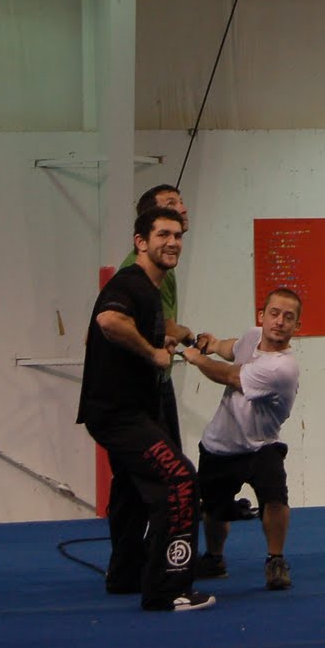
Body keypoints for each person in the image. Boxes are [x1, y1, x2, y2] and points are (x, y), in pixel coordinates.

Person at [77, 205, 215, 612]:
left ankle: (125, 574)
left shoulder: (152, 291)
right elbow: (108, 321)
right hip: (119, 415)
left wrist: (165, 345)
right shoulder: (132, 283)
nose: (172, 242)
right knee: (180, 481)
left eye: (177, 236)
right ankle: (166, 589)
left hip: (125, 411)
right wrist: (152, 352)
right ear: (141, 242)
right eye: (162, 235)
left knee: (133, 491)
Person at [181, 288, 303, 591]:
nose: (279, 322)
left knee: (275, 499)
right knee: (213, 508)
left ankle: (276, 559)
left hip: (262, 445)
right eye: (274, 313)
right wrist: (210, 344)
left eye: (288, 317)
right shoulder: (252, 336)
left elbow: (230, 376)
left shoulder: (283, 368)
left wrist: (196, 358)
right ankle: (214, 559)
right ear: (262, 316)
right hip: (221, 443)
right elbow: (230, 348)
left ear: (296, 327)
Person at [120, 184, 194, 449]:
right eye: (172, 204)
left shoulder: (165, 268)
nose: (182, 209)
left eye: (181, 202)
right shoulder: (138, 272)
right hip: (142, 387)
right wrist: (186, 335)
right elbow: (112, 321)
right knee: (171, 475)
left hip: (156, 381)